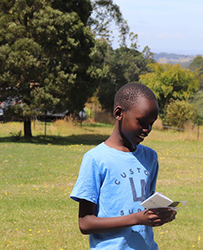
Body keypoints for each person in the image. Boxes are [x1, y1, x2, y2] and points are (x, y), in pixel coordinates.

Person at [70, 83, 176, 249]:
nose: (147, 130)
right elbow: (85, 223)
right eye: (141, 122)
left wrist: (161, 214)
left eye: (151, 124)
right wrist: (136, 218)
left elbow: (146, 204)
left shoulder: (150, 157)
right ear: (119, 113)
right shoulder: (96, 159)